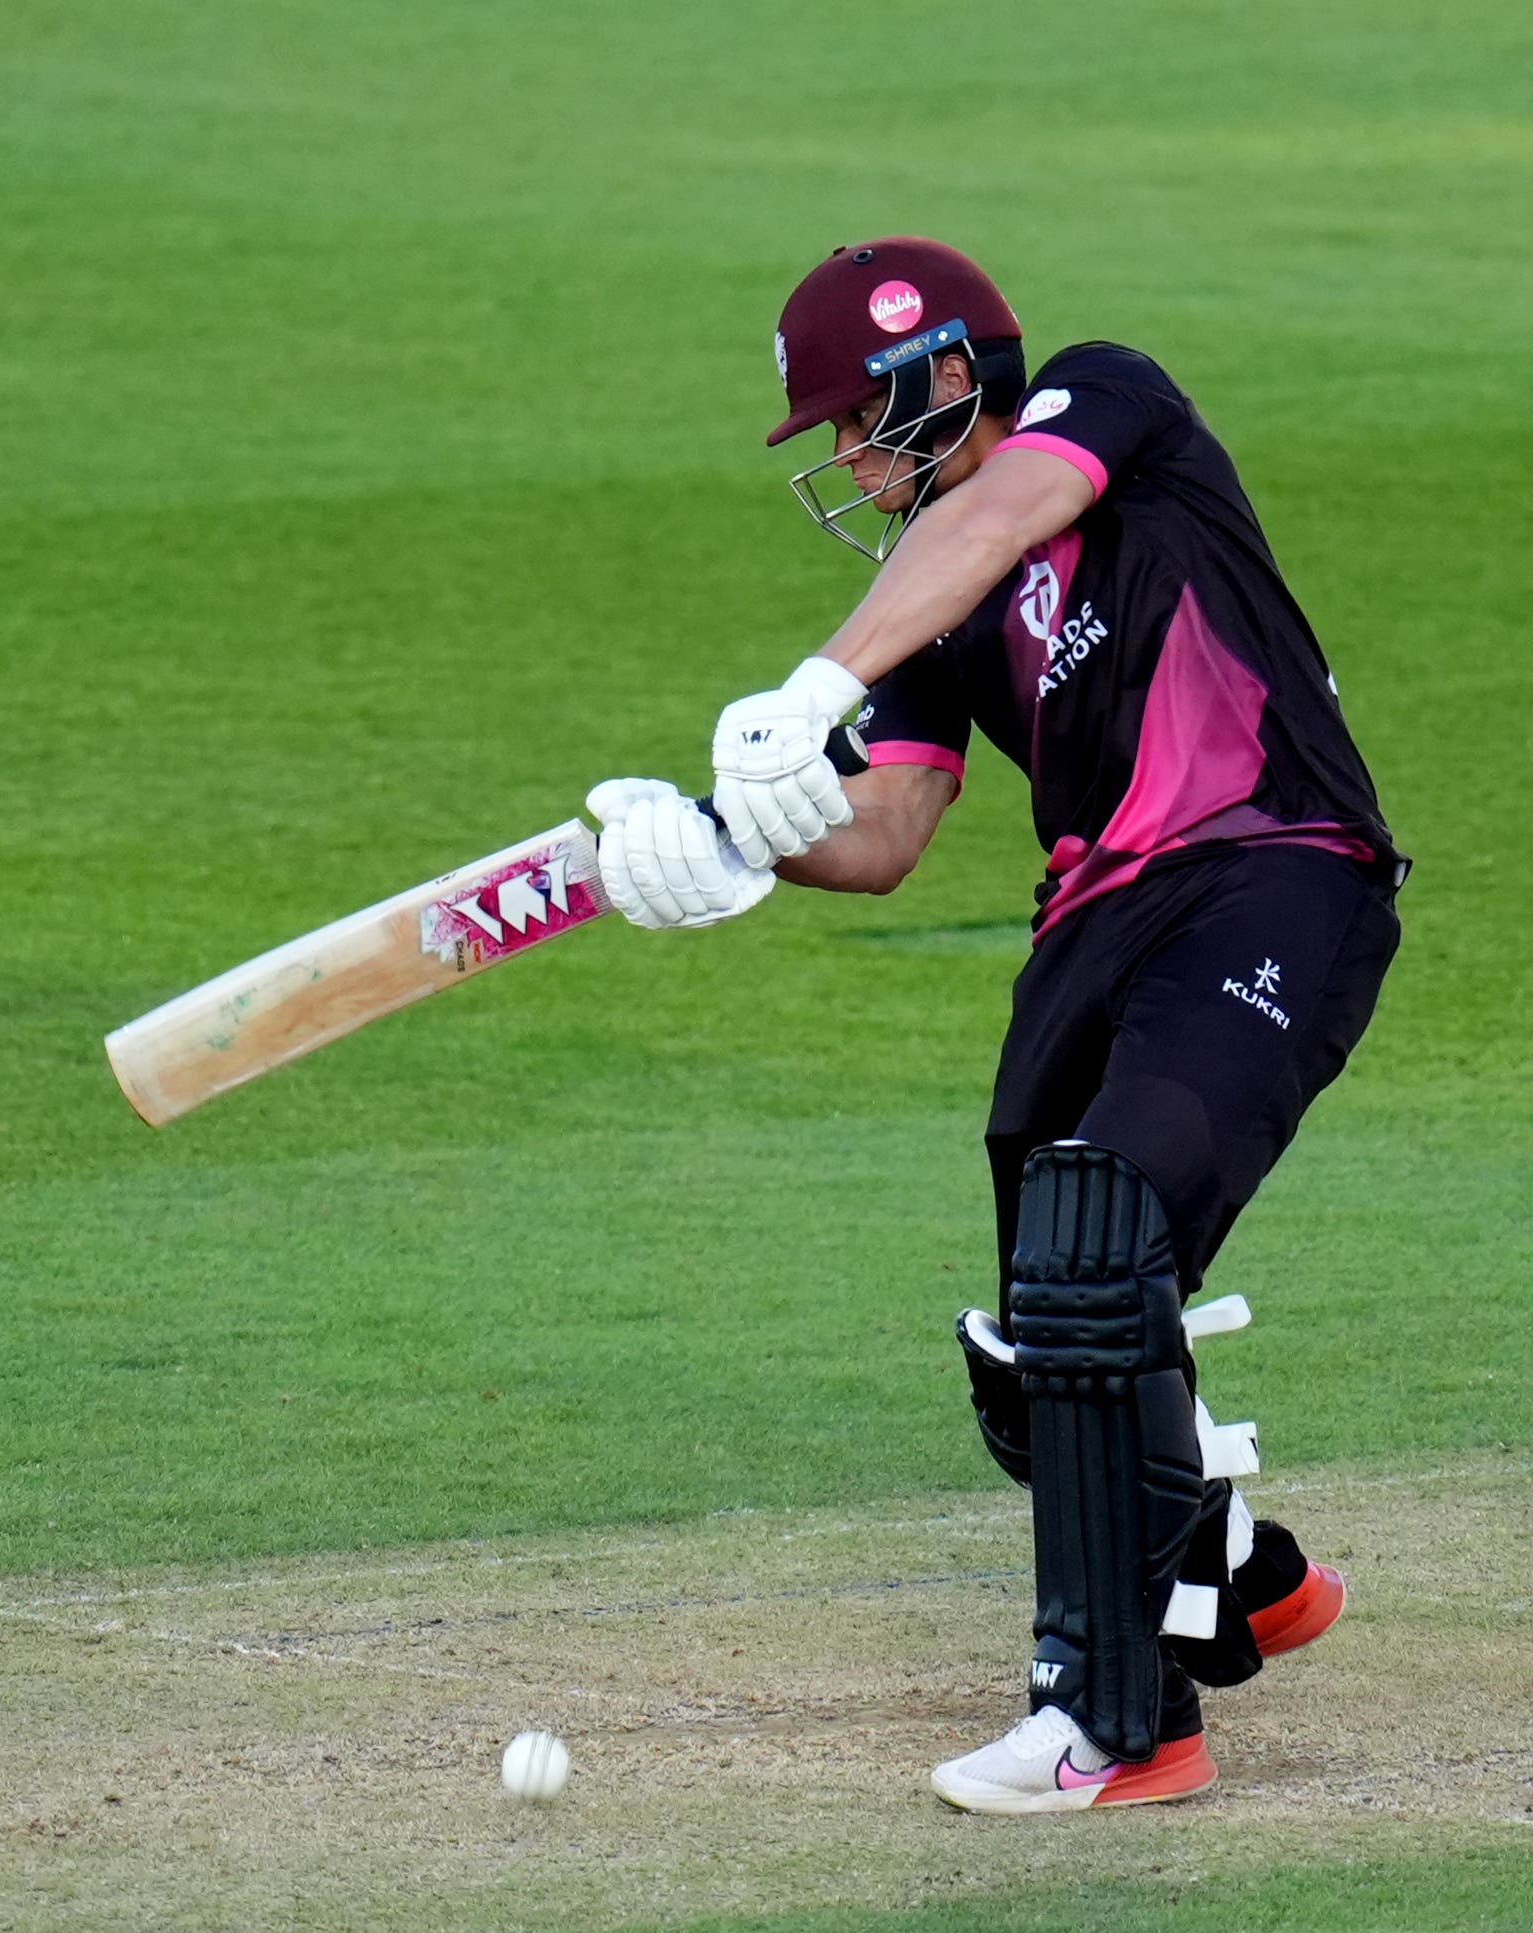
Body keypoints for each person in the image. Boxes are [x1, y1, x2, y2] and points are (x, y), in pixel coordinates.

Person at [585, 238, 1403, 1814]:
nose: (841, 457)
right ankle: (1238, 1570)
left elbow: (1010, 511)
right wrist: (720, 852)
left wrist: (810, 681)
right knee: (1046, 1341)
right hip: (1092, 933)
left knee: (1101, 1237)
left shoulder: (1113, 402)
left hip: (1270, 871)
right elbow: (884, 832)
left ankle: (1117, 1720)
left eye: (849, 418)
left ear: (945, 373)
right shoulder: (923, 603)